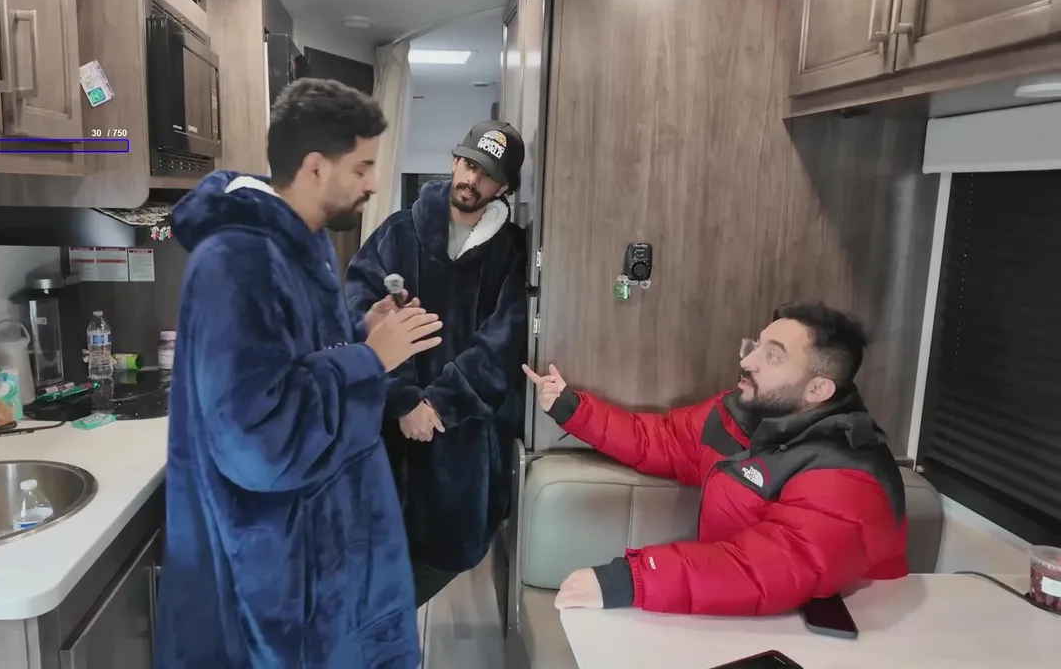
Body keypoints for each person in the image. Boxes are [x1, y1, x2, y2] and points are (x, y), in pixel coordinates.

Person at [155, 78, 444, 669]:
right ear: (315, 167)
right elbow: (258, 441)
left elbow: (296, 360)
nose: (372, 184)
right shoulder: (236, 262)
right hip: (278, 596)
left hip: (319, 568)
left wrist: (360, 331)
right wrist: (371, 360)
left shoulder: (297, 247)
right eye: (362, 168)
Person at [523, 302, 908, 616]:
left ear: (818, 388)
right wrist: (572, 409)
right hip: (741, 618)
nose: (748, 361)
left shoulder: (849, 474)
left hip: (849, 635)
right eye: (755, 345)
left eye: (772, 356)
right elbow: (662, 440)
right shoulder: (739, 413)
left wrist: (633, 579)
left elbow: (766, 570)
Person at [344, 120, 529, 606]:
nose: (472, 179)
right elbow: (359, 312)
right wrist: (405, 401)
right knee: (372, 574)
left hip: (462, 450)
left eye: (487, 174)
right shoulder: (397, 233)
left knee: (432, 567)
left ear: (503, 187)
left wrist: (439, 405)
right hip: (387, 439)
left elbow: (502, 345)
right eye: (468, 164)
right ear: (454, 162)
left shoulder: (511, 253)